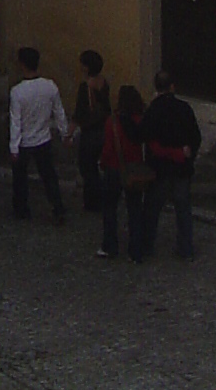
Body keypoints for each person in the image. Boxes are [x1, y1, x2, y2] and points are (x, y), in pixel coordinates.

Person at [137, 68, 203, 260]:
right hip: (181, 167)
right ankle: (186, 249)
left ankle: (147, 246)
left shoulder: (153, 110)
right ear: (173, 87)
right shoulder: (184, 108)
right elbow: (195, 136)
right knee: (183, 208)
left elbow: (143, 135)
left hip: (159, 168)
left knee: (152, 208)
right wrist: (189, 155)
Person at [8, 45, 68, 224]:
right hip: (43, 138)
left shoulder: (17, 92)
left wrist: (13, 147)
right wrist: (65, 133)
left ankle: (22, 209)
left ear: (21, 64)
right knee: (49, 176)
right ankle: (57, 207)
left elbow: (15, 121)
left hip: (24, 141)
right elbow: (59, 112)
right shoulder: (50, 86)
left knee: (20, 179)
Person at [98, 82, 150, 260]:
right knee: (135, 210)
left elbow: (108, 148)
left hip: (114, 168)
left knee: (110, 208)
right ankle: (136, 250)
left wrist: (103, 163)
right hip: (134, 169)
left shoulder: (112, 122)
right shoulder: (140, 121)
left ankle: (110, 246)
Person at [74, 49, 112, 212]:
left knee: (87, 168)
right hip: (103, 130)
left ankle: (92, 202)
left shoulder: (85, 87)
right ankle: (101, 198)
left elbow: (79, 113)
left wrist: (69, 132)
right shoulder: (104, 83)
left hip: (90, 132)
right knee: (96, 167)